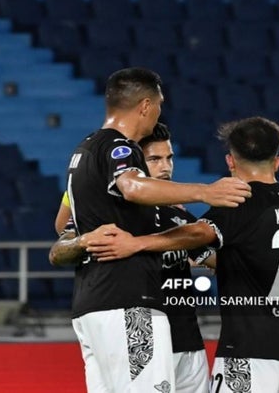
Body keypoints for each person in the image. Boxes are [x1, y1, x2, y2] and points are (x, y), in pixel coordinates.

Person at [83, 117, 279, 393]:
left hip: (248, 345)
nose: (166, 166)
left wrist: (136, 243)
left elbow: (199, 234)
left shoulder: (238, 200)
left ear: (230, 161)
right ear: (277, 161)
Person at [51, 67, 252, 393]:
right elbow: (131, 186)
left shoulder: (83, 151)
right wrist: (205, 192)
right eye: (159, 104)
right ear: (146, 105)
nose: (159, 111)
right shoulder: (121, 147)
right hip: (129, 304)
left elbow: (64, 224)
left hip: (91, 306)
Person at [51, 122, 211, 393]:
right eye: (155, 159)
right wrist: (83, 237)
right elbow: (59, 243)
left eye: (169, 158)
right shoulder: (112, 216)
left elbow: (219, 259)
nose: (165, 167)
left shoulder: (177, 216)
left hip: (186, 342)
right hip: (134, 326)